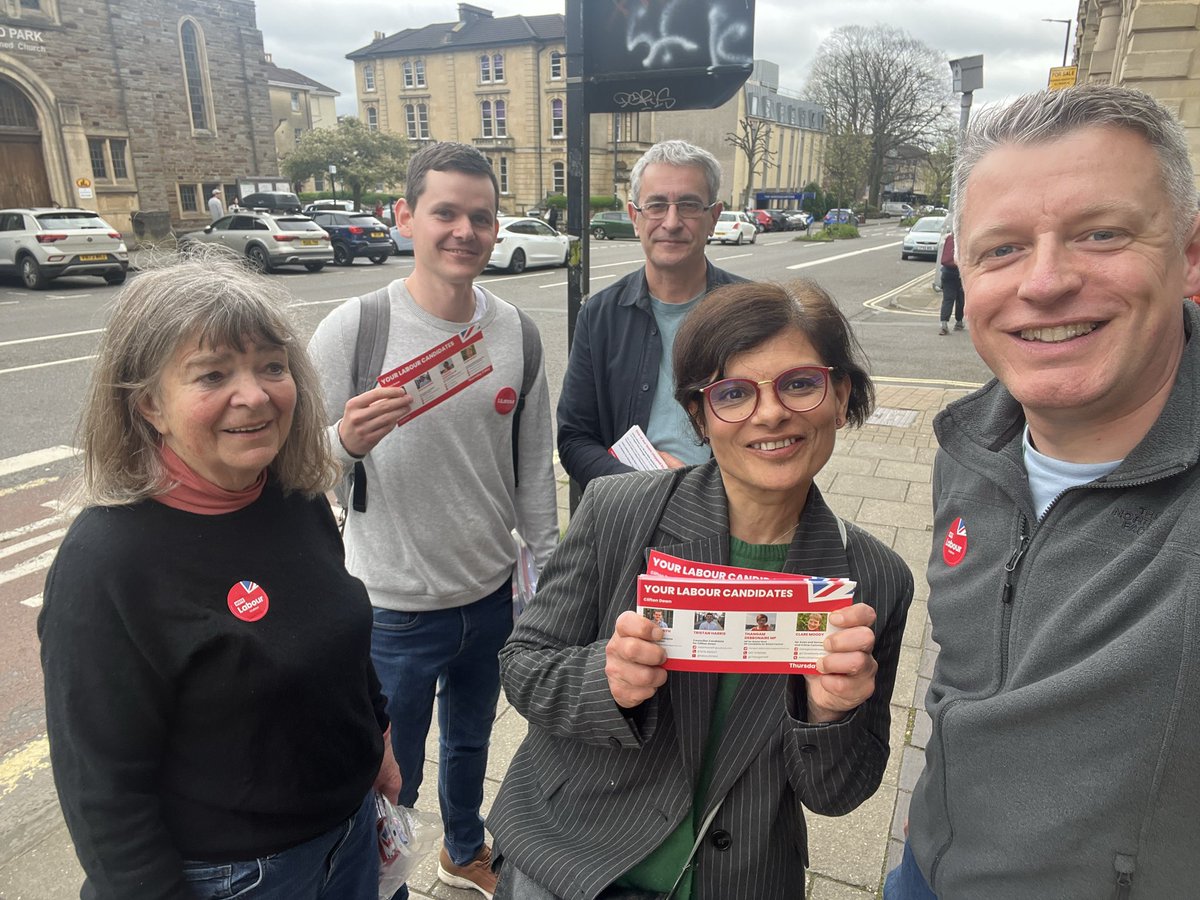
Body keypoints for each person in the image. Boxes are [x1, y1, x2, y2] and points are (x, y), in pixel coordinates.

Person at [490, 280, 914, 900]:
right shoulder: (619, 509)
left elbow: (840, 793)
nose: (771, 414)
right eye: (734, 393)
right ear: (699, 414)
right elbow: (523, 665)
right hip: (569, 864)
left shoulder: (873, 578)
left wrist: (829, 714)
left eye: (799, 383)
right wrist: (604, 680)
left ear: (840, 392)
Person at [888, 85, 1200, 899]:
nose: (1048, 281)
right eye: (1003, 250)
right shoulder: (970, 445)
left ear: (1191, 255)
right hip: (927, 869)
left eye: (1101, 234)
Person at [38, 253, 399, 900]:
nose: (256, 394)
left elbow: (336, 639)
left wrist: (379, 742)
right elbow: (103, 795)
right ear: (149, 404)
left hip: (348, 839)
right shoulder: (108, 562)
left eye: (272, 366)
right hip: (237, 878)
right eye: (213, 374)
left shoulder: (291, 495)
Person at [307, 141, 559, 900]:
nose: (465, 231)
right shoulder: (357, 328)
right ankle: (382, 882)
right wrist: (344, 441)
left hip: (489, 598)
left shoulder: (517, 330)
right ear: (406, 217)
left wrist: (545, 575)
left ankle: (460, 850)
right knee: (390, 767)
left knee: (472, 742)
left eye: (481, 217)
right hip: (391, 610)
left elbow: (532, 468)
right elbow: (291, 471)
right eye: (445, 212)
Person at [557, 140, 747, 490]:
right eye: (657, 205)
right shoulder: (599, 316)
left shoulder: (750, 312)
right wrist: (647, 484)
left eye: (689, 205)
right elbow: (574, 440)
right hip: (632, 513)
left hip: (730, 513)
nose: (671, 222)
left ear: (713, 217)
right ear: (634, 217)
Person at [936, 231, 963, 335]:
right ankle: (959, 322)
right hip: (960, 273)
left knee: (947, 299)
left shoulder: (949, 238)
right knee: (960, 298)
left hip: (946, 272)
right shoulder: (964, 239)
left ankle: (944, 324)